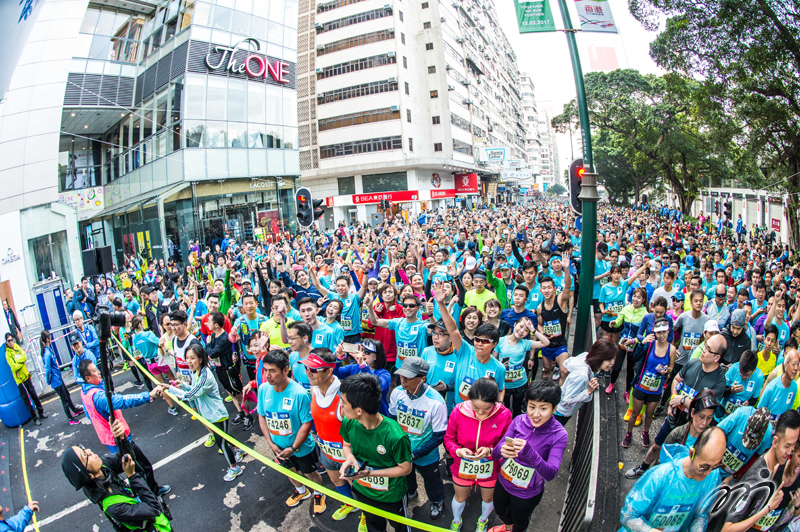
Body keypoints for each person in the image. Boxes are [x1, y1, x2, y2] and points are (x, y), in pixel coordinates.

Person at [78, 360, 169, 496]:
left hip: (110, 438)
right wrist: (148, 395)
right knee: (140, 469)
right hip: (119, 438)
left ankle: (148, 494)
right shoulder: (99, 397)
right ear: (88, 378)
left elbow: (89, 414)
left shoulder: (84, 392)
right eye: (95, 371)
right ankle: (151, 496)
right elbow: (122, 401)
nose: (98, 371)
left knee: (136, 469)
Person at [61, 419, 172, 532]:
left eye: (83, 448)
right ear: (88, 475)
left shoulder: (103, 468)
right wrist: (132, 476)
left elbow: (127, 457)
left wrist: (121, 438)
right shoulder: (114, 507)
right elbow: (154, 508)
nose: (89, 451)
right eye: (85, 455)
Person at [339, 372, 413, 532]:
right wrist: (350, 458)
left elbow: (406, 468)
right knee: (374, 527)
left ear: (359, 410)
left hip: (392, 496)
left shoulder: (395, 436)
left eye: (343, 402)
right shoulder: (348, 422)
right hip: (363, 492)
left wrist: (370, 474)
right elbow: (346, 445)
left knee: (401, 528)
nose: (341, 406)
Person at [491, 379, 568, 532]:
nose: (536, 414)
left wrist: (529, 453)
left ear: (554, 409)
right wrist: (501, 451)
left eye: (543, 408)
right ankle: (507, 527)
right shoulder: (519, 420)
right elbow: (496, 452)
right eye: (532, 407)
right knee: (500, 511)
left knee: (520, 521)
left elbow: (551, 473)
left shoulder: (559, 435)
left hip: (527, 493)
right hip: (504, 481)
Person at [255, 349, 326, 513]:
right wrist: (271, 444)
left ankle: (318, 492)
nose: (267, 375)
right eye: (265, 370)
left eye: (272, 371)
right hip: (278, 447)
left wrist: (293, 447)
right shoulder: (264, 389)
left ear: (286, 370)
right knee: (288, 470)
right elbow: (262, 417)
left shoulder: (299, 394)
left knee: (310, 472)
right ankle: (301, 491)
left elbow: (307, 424)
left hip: (300, 448)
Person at [162, 344, 244, 481]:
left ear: (200, 359)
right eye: (187, 358)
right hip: (211, 415)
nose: (188, 361)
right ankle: (238, 450)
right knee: (223, 438)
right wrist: (183, 386)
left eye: (192, 358)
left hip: (217, 415)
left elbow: (190, 395)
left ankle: (234, 468)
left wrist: (170, 389)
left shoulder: (205, 375)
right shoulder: (197, 372)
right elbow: (194, 389)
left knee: (222, 443)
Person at [618, 427, 725, 532]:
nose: (708, 473)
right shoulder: (661, 475)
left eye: (715, 466)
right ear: (692, 454)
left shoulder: (713, 477)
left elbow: (700, 514)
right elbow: (629, 516)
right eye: (704, 467)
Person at [445, 377, 513, 532]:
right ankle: (456, 520)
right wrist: (457, 450)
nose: (481, 413)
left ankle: (483, 520)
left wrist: (490, 451)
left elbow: (506, 443)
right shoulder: (458, 411)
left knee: (488, 498)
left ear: (495, 402)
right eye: (476, 407)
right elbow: (449, 438)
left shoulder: (505, 414)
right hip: (462, 464)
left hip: (491, 466)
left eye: (487, 409)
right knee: (460, 497)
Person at [388, 357, 448, 519]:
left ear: (422, 379)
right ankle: (411, 491)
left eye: (408, 377)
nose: (403, 380)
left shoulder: (436, 402)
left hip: (426, 454)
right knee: (407, 474)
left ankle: (437, 501)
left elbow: (438, 436)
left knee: (432, 480)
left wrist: (415, 454)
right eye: (401, 376)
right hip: (402, 450)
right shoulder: (397, 392)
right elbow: (392, 419)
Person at [720, 410, 800, 532]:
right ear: (775, 442)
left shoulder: (774, 467)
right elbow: (727, 529)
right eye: (787, 446)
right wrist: (768, 508)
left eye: (793, 446)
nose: (790, 452)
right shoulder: (756, 479)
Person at [302, 349, 358, 521]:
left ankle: (367, 514)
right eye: (306, 368)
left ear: (329, 371)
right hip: (326, 451)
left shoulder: (344, 396)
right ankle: (350, 504)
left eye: (313, 370)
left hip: (348, 455)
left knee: (359, 487)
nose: (308, 373)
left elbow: (358, 430)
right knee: (337, 482)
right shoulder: (314, 389)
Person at [623, 317, 676, 448]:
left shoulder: (672, 349)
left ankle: (646, 433)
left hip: (655, 389)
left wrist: (666, 370)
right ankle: (629, 434)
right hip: (641, 386)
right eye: (659, 332)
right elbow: (635, 359)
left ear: (668, 331)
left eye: (664, 332)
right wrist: (641, 344)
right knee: (635, 412)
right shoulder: (650, 344)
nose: (662, 335)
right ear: (654, 332)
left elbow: (671, 368)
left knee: (649, 414)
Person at [555, 336, 617, 425]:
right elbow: (566, 401)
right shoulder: (582, 376)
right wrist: (587, 392)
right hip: (560, 413)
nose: (612, 363)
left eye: (613, 358)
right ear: (599, 357)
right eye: (609, 359)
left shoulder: (587, 359)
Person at [496, 318, 549, 415]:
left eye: (526, 330)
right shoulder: (500, 341)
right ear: (515, 324)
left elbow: (546, 342)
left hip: (520, 383)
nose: (521, 331)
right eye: (520, 326)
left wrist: (533, 330)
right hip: (504, 384)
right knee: (504, 410)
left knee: (517, 409)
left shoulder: (525, 343)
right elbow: (494, 361)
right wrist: (500, 366)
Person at [716, 406, 772, 480]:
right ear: (749, 419)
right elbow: (716, 433)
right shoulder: (741, 414)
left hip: (729, 477)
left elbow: (755, 457)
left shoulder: (768, 433)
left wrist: (734, 476)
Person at [41, 330, 83, 424]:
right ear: (47, 339)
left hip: (58, 379)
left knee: (67, 395)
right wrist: (49, 381)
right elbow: (47, 370)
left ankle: (75, 410)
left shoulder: (48, 350)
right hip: (56, 381)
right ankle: (70, 418)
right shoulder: (47, 354)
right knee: (64, 400)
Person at [3, 333, 46, 426]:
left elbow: (24, 357)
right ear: (6, 342)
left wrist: (17, 360)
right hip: (20, 381)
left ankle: (41, 412)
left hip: (26, 377)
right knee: (27, 400)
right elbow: (14, 367)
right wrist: (20, 361)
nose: (11, 342)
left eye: (12, 340)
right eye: (9, 341)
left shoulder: (16, 346)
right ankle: (35, 418)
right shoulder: (7, 354)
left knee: (34, 395)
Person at [537, 272, 571, 382]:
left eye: (549, 288)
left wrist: (566, 268)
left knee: (564, 371)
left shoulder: (560, 301)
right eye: (544, 288)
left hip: (560, 344)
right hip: (547, 345)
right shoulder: (540, 308)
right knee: (547, 369)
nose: (546, 290)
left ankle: (561, 396)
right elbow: (540, 324)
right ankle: (546, 392)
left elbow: (568, 286)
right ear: (541, 290)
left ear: (554, 289)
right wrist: (542, 334)